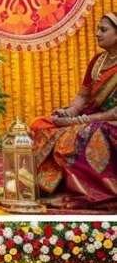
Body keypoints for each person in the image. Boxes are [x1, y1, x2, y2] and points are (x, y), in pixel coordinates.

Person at [33, 13, 117, 208]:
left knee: (82, 134)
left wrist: (76, 121)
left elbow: (113, 113)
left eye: (103, 30)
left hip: (109, 121)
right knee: (41, 124)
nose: (97, 34)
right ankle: (45, 187)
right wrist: (69, 112)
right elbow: (83, 97)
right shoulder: (98, 61)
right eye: (97, 29)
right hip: (90, 117)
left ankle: (85, 192)